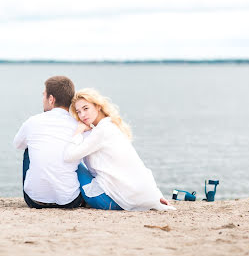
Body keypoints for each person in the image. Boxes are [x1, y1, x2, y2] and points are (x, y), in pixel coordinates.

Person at [64, 88, 175, 211]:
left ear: (98, 106)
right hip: (122, 199)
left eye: (86, 108)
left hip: (106, 200)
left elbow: (68, 156)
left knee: (75, 164)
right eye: (78, 112)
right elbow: (137, 166)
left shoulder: (101, 131)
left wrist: (78, 132)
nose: (82, 115)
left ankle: (60, 199)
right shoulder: (110, 127)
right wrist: (155, 196)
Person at [13, 76, 83, 209]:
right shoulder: (78, 125)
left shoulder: (33, 121)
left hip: (34, 201)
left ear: (51, 99)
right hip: (70, 200)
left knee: (29, 149)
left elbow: (17, 144)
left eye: (43, 95)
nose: (42, 99)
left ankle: (40, 190)